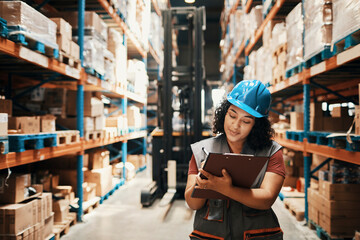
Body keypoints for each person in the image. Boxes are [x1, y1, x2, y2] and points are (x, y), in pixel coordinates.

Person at [185, 80, 285, 240]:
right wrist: (201, 183)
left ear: (256, 125)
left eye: (246, 121)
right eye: (232, 115)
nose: (235, 125)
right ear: (224, 112)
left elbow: (266, 199)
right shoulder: (202, 151)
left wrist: (225, 189)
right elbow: (193, 204)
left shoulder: (272, 152)